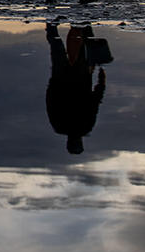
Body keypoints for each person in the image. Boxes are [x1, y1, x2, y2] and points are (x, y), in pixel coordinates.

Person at [45, 22, 105, 154]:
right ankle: (52, 21)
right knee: (57, 46)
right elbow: (50, 102)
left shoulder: (84, 127)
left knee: (84, 49)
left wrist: (101, 82)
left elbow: (94, 103)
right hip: (62, 81)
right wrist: (52, 84)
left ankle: (83, 22)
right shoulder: (59, 126)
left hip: (78, 80)